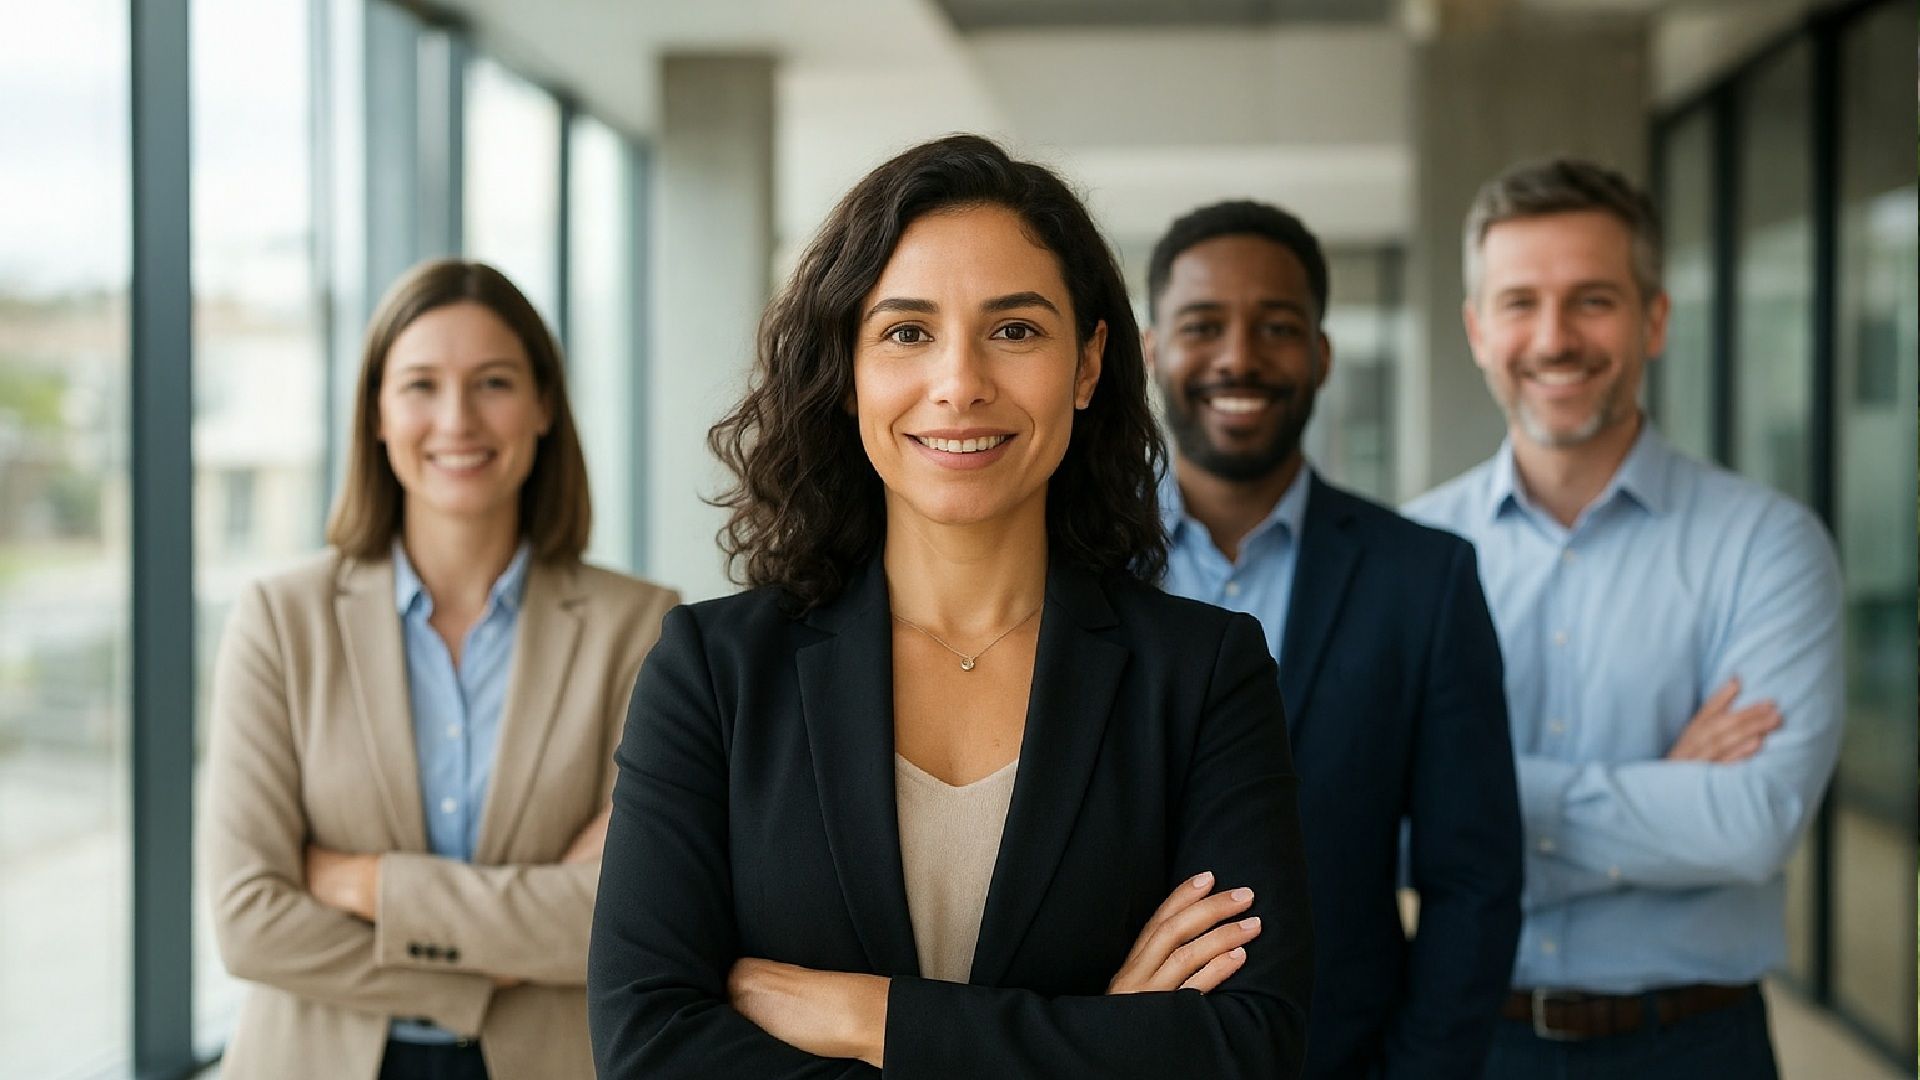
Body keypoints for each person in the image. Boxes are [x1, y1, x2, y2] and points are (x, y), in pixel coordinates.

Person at [587, 134, 1314, 1078]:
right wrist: (1095, 1037)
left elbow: (1247, 1046)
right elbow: (648, 1048)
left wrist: (871, 1017)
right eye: (906, 331)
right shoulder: (714, 672)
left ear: (1089, 364)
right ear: (848, 370)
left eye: (1015, 330)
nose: (961, 382)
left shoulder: (1204, 673)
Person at [1404, 158, 1843, 1078]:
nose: (1554, 338)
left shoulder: (1768, 545)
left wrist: (1470, 805)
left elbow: (1752, 821)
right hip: (1467, 1045)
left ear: (1654, 319)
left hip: (1694, 1048)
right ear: (1479, 331)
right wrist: (1658, 786)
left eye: (1592, 300)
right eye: (1520, 302)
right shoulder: (1407, 554)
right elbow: (1372, 826)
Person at [201, 259, 679, 1080]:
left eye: (493, 382)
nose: (457, 419)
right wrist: (487, 961)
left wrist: (372, 884)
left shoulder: (642, 628)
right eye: (420, 385)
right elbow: (250, 920)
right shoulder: (282, 620)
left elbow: (628, 916)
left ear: (541, 409)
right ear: (378, 416)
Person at [1145, 199, 1522, 1078]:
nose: (1238, 356)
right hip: (1110, 1057)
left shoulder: (1426, 580)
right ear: (1151, 349)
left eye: (1276, 326)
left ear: (1319, 354)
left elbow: (1474, 884)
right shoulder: (1066, 567)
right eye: (1203, 325)